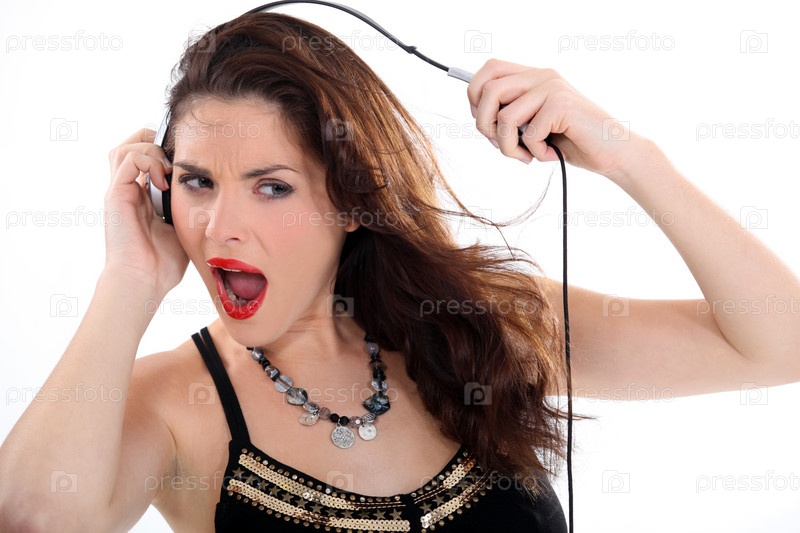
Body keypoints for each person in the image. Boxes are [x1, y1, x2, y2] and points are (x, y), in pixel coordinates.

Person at [1, 10, 799, 533]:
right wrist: (129, 280)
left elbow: (779, 340)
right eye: (198, 182)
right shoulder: (173, 401)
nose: (219, 225)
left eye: (272, 186)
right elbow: (31, 518)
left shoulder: (481, 320)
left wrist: (626, 154)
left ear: (351, 199)